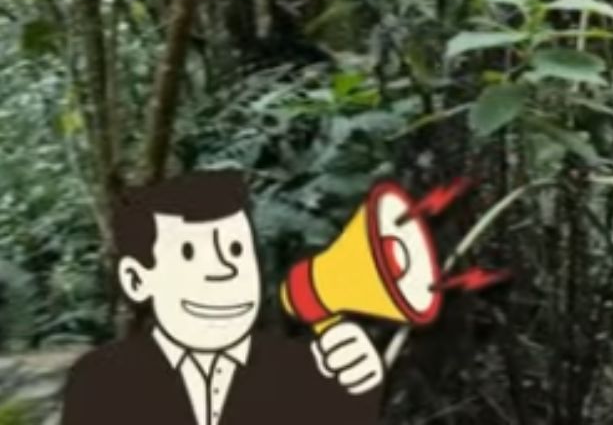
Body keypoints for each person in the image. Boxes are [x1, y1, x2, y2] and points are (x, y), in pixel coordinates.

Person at [62, 171, 383, 425]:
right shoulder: (101, 383)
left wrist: (358, 389)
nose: (224, 271)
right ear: (136, 279)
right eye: (189, 254)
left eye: (236, 250)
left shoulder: (301, 370)